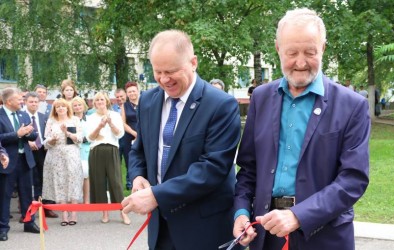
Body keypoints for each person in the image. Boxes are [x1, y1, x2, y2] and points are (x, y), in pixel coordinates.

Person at [233, 8, 370, 250]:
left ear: (323, 49)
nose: (300, 62)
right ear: (277, 49)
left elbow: (352, 180)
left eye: (310, 52)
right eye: (291, 52)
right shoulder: (261, 98)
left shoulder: (352, 106)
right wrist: (241, 213)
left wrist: (299, 215)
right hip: (266, 234)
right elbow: (248, 169)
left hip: (324, 237)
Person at [121, 30, 241, 250]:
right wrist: (137, 176)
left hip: (205, 230)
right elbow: (138, 150)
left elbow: (212, 168)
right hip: (161, 230)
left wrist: (157, 195)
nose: (164, 79)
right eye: (158, 72)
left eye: (171, 71)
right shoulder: (148, 101)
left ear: (193, 62)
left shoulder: (221, 105)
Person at [0, 88, 40, 241]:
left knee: (27, 195)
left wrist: (29, 133)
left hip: (25, 160)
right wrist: (17, 134)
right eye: (19, 99)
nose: (21, 101)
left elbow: (33, 135)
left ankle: (29, 222)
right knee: (4, 196)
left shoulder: (23, 114)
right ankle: (3, 228)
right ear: (9, 101)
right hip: (7, 162)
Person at [85, 91, 130, 225]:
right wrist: (99, 126)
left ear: (106, 102)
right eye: (97, 100)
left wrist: (110, 123)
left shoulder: (115, 115)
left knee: (115, 181)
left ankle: (123, 212)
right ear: (94, 103)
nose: (100, 102)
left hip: (111, 149)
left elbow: (120, 134)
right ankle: (105, 212)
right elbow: (90, 138)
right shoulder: (91, 117)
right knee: (99, 182)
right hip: (96, 150)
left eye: (102, 100)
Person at [41, 99, 83, 226]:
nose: (60, 108)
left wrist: (67, 132)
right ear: (55, 109)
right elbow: (45, 141)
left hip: (71, 155)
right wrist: (52, 140)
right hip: (55, 156)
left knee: (73, 182)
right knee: (60, 183)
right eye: (58, 107)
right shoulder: (51, 121)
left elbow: (80, 139)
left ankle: (74, 214)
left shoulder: (74, 120)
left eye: (62, 106)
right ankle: (64, 214)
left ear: (67, 108)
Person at [24, 92, 58, 218]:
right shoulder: (22, 116)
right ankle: (28, 209)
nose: (33, 104)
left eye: (35, 102)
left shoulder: (43, 117)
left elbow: (48, 134)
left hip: (42, 151)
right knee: (29, 180)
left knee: (44, 179)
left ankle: (46, 207)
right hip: (27, 152)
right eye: (31, 102)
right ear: (26, 102)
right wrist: (28, 141)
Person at [119, 82, 140, 190]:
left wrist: (140, 134)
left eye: (133, 91)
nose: (132, 93)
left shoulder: (144, 103)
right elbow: (123, 122)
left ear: (137, 91)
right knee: (129, 158)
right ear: (126, 94)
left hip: (144, 135)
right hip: (129, 135)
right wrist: (134, 133)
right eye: (129, 92)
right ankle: (130, 181)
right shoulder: (125, 105)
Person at [71, 97, 91, 204]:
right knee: (73, 176)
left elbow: (92, 136)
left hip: (87, 150)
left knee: (86, 176)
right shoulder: (70, 120)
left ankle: (86, 200)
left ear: (84, 106)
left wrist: (81, 139)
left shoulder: (90, 119)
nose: (78, 107)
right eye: (75, 105)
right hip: (73, 151)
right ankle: (73, 200)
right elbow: (69, 138)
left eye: (80, 105)